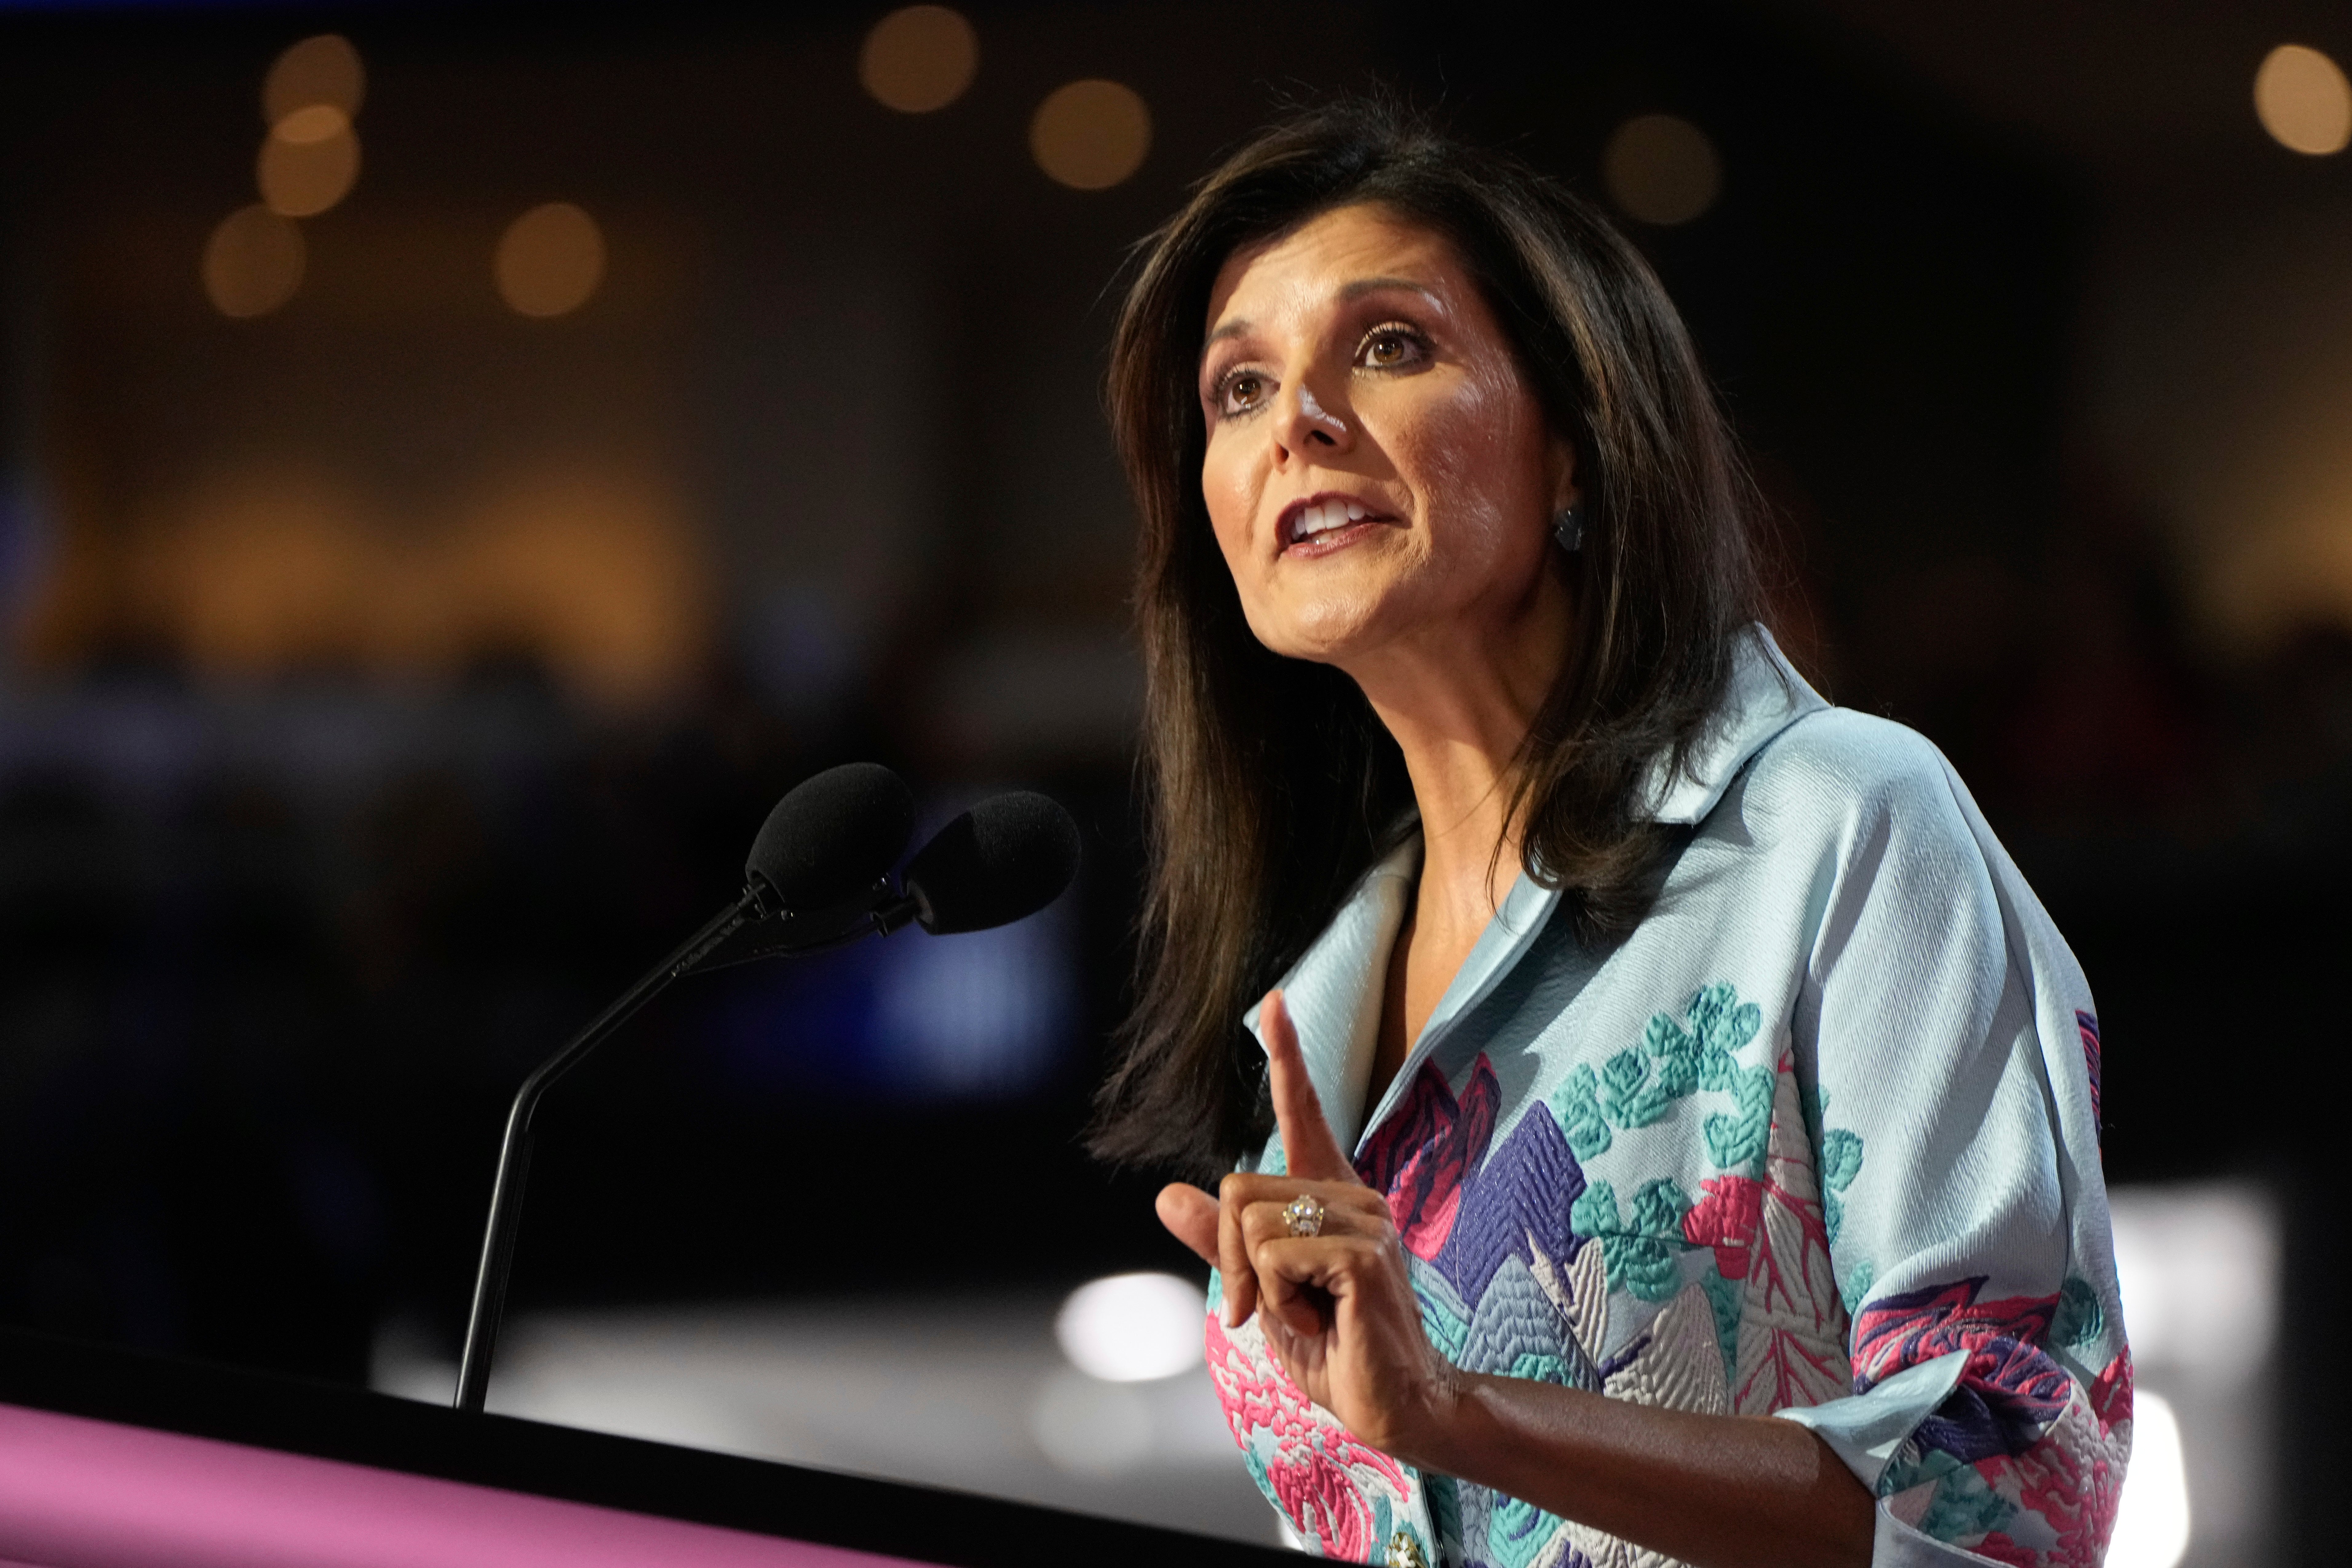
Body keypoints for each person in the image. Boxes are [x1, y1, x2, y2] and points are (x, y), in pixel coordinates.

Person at [1087, 100, 2129, 1568]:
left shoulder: (1835, 827)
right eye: (1238, 388)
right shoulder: (1308, 1011)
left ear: (1574, 443)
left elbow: (2019, 1478)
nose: (1297, 422)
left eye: (1388, 346)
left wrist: (1460, 1410)